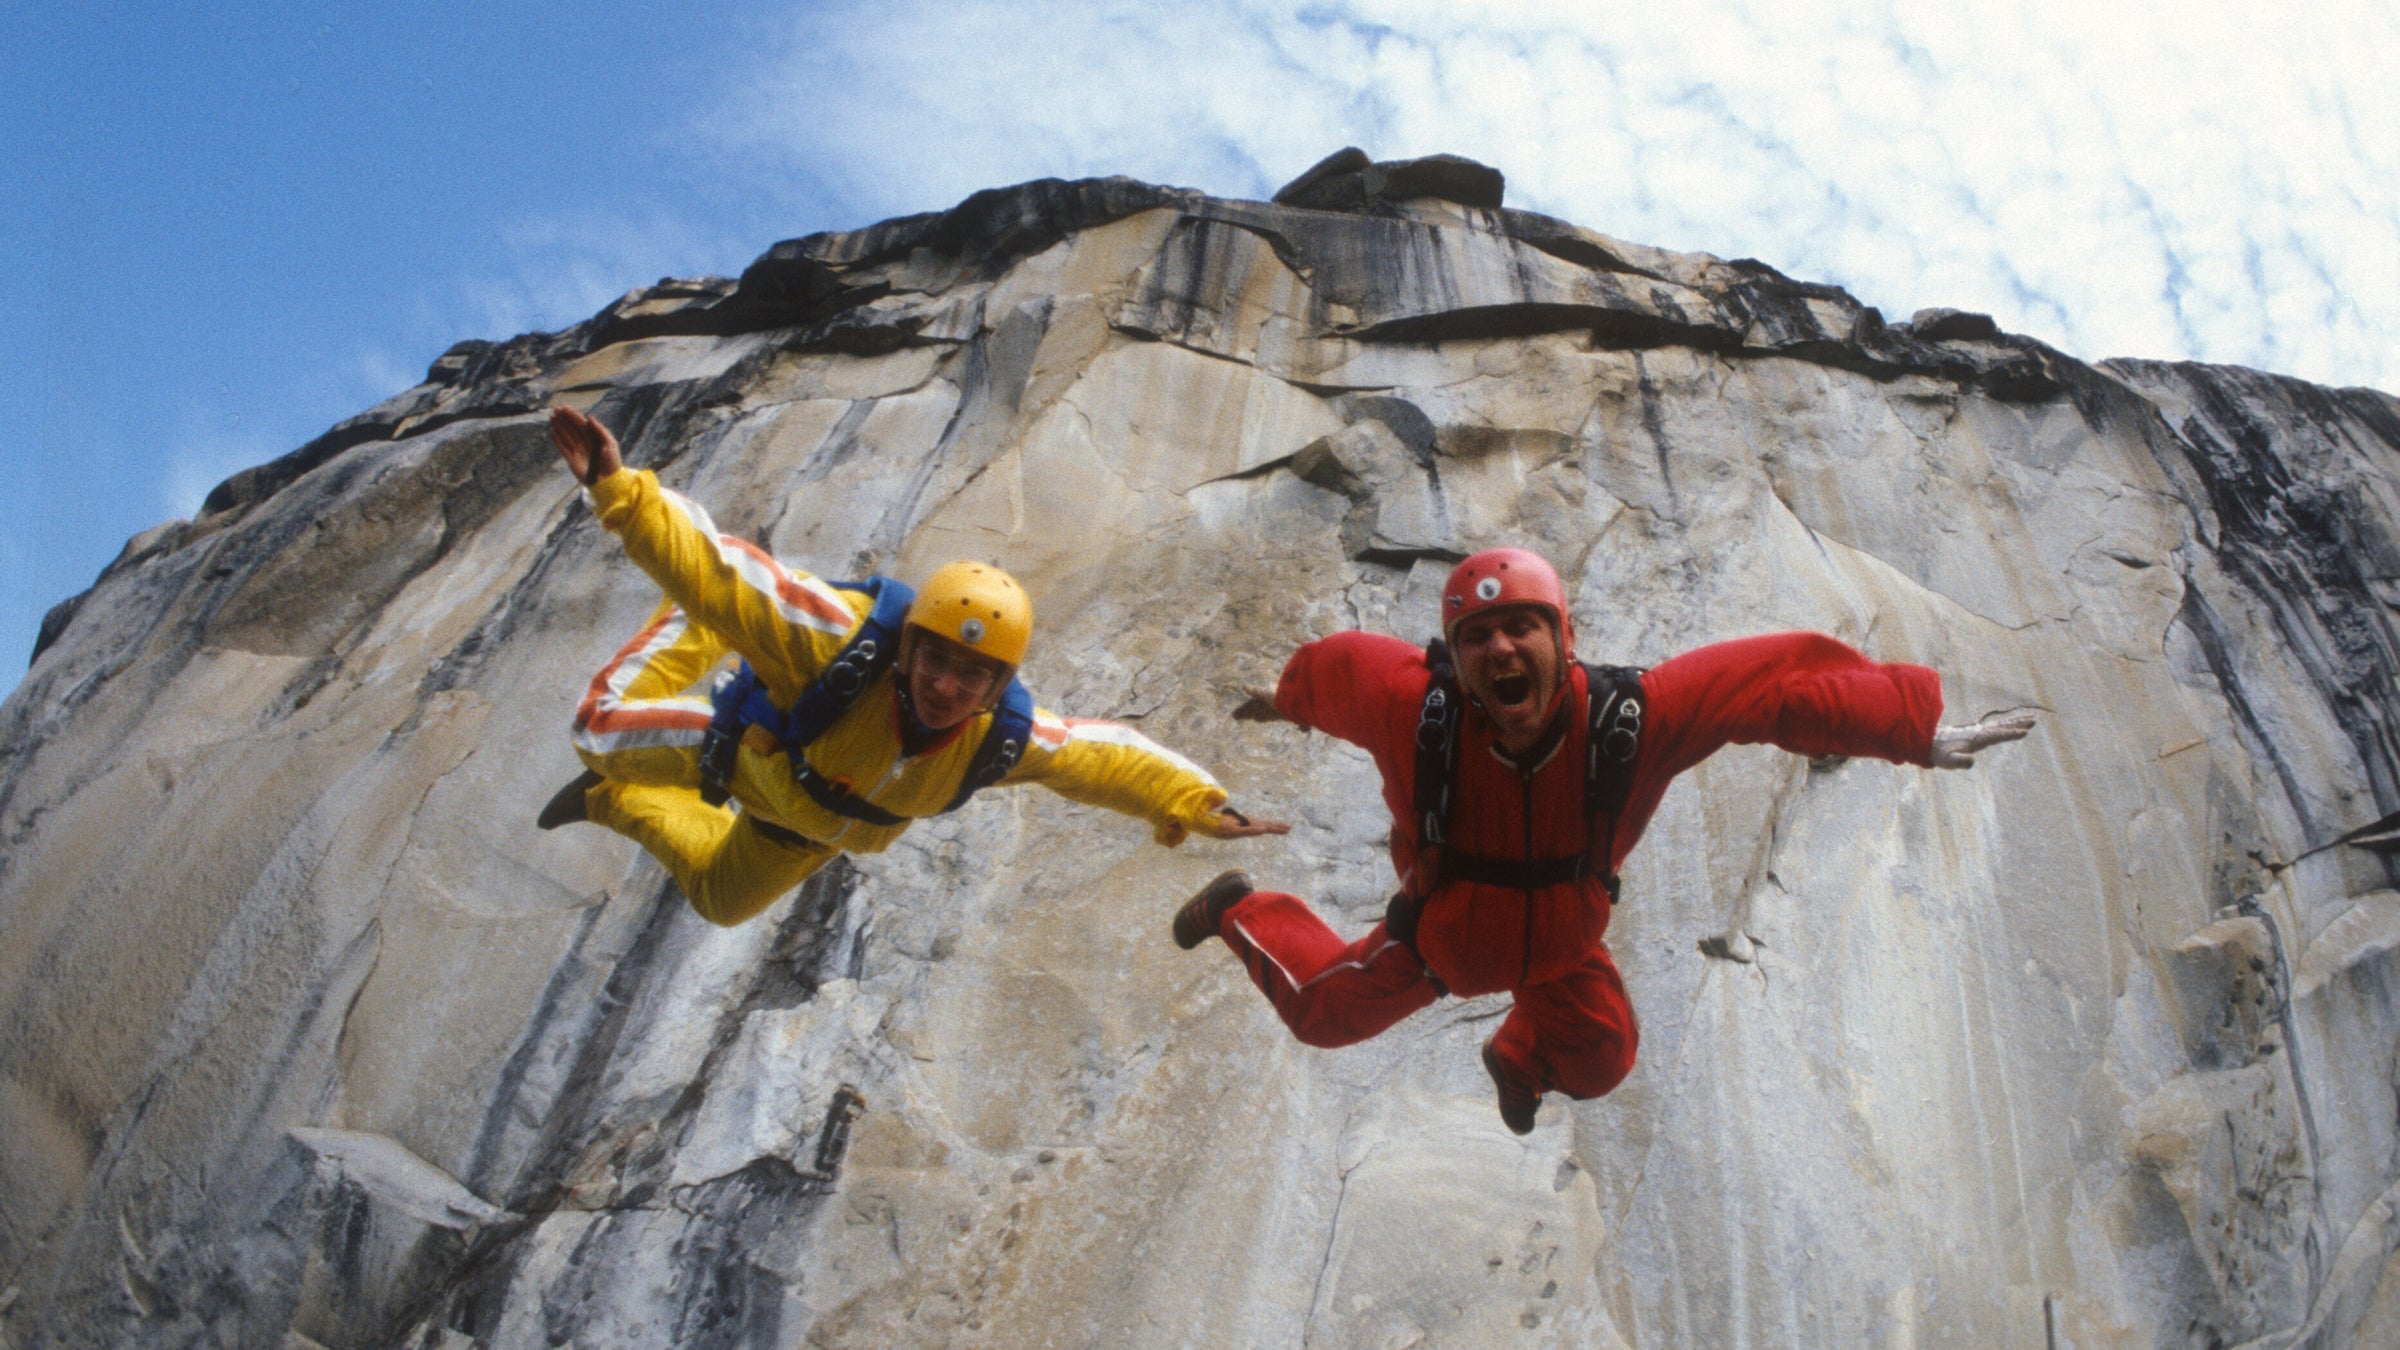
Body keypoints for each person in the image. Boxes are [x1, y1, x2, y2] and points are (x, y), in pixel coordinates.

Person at [1174, 547, 2034, 1134]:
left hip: (1558, 949)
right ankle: (1239, 909)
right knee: (1322, 1014)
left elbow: (1769, 685)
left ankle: (1518, 1055)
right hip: (1443, 944)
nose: (1500, 649)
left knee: (1603, 1057)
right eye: (1476, 637)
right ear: (1456, 658)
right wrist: (1281, 698)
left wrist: (1908, 730)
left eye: (1522, 628)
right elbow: (1331, 674)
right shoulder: (1415, 709)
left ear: (1563, 639)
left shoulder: (1629, 722)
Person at [538, 405, 1286, 927]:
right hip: (744, 756)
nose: (945, 687)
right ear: (908, 647)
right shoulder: (840, 643)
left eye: (974, 678)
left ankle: (608, 800)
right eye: (934, 660)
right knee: (597, 728)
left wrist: (1195, 801)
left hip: (804, 829)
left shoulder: (997, 738)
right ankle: (695, 625)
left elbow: (1105, 760)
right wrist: (622, 493)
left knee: (720, 902)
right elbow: (723, 567)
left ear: (998, 687)